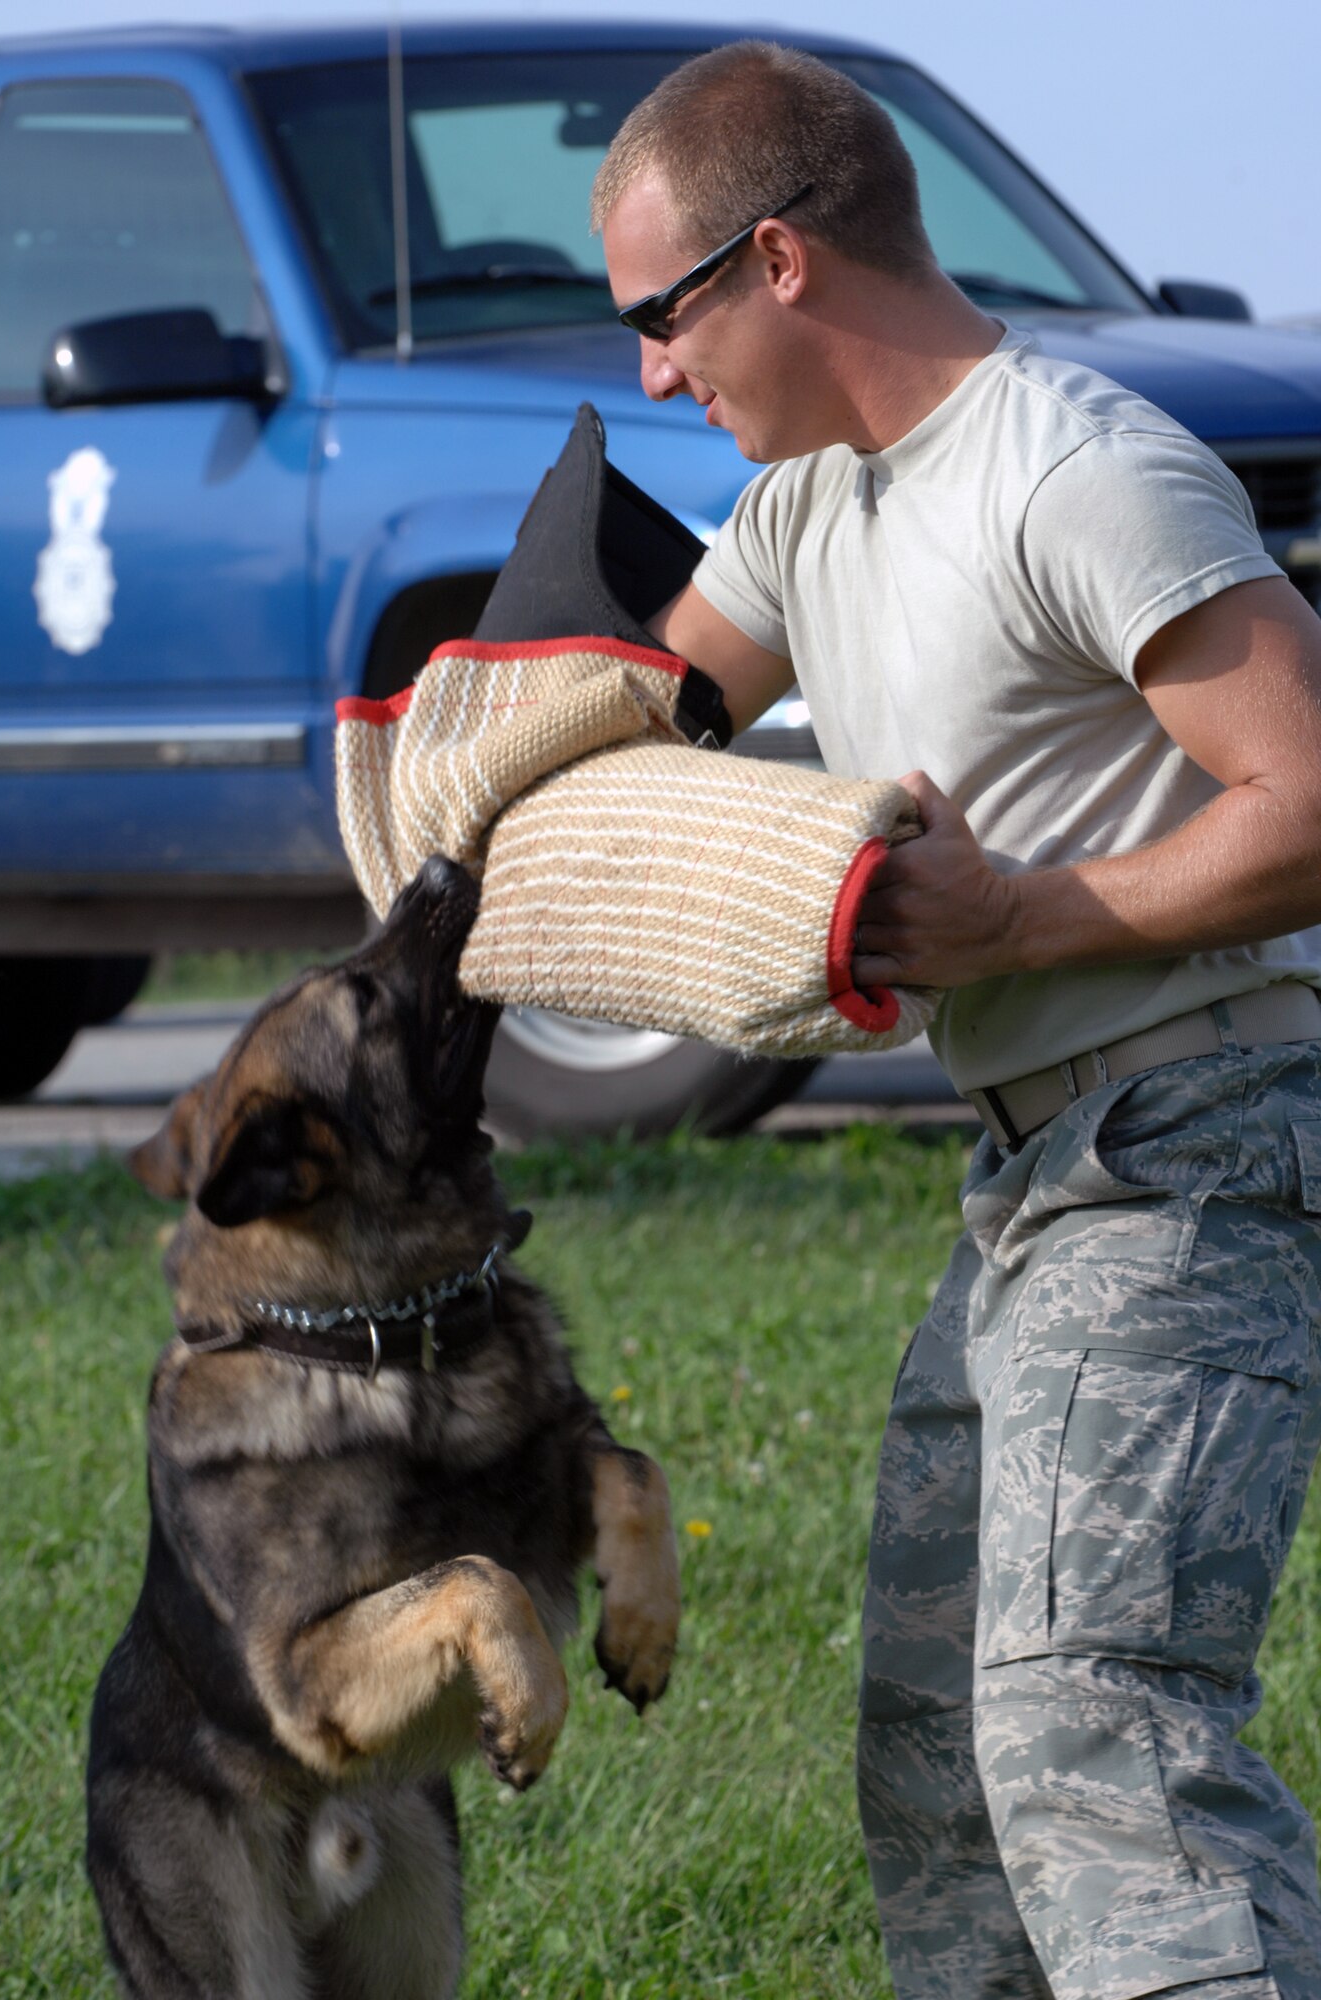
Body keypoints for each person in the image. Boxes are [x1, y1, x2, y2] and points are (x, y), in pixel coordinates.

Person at [593, 39, 1321, 2000]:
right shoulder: (805, 502)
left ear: (777, 262)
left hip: (1196, 1140)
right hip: (1022, 1175)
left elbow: (1309, 798)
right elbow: (647, 713)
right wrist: (469, 750)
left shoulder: (1078, 471)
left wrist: (1015, 914)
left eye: (662, 320)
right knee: (939, 1763)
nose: (650, 374)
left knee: (1101, 1733)